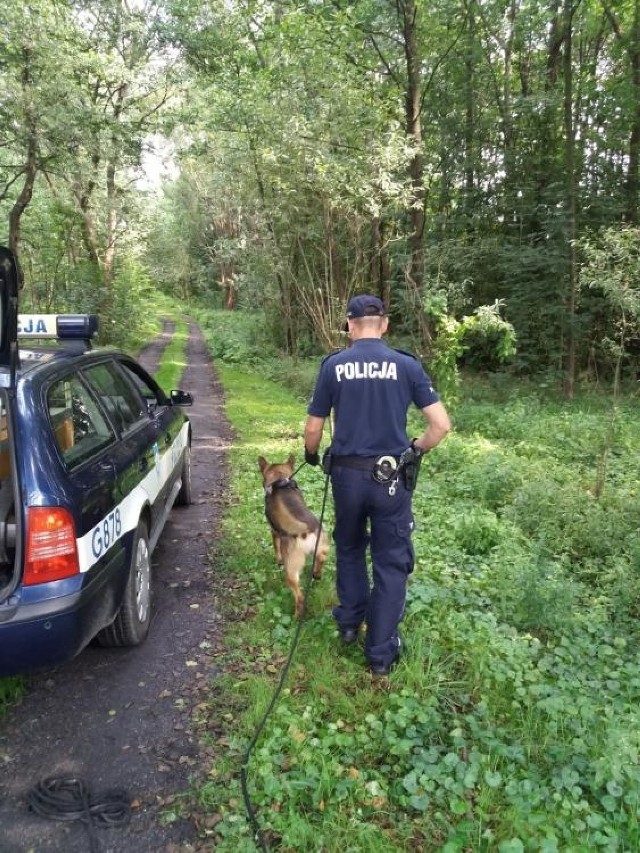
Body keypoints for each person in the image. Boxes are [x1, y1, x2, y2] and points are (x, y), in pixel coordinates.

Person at [303, 294, 451, 677]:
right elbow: (441, 426)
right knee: (389, 562)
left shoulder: (333, 366)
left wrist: (311, 455)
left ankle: (350, 623)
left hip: (347, 478)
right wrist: (415, 449)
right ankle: (380, 655)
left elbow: (314, 427)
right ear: (384, 325)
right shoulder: (406, 365)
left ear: (349, 326)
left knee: (350, 547)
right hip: (391, 479)